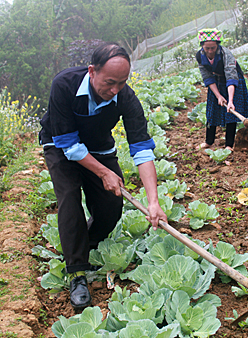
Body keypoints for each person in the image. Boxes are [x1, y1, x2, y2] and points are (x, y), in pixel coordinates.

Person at [39, 43, 167, 309]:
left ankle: (85, 240)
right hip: (61, 147)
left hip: (99, 148)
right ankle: (76, 272)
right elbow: (68, 144)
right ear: (92, 72)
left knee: (111, 207)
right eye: (109, 83)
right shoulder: (64, 85)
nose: (115, 90)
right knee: (70, 198)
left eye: (122, 83)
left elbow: (142, 148)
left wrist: (153, 201)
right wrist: (103, 172)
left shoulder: (126, 97)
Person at [195, 28, 248, 151]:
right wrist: (218, 96)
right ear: (202, 46)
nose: (210, 51)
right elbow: (208, 78)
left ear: (218, 46)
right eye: (207, 48)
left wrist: (230, 101)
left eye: (213, 48)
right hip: (216, 81)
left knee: (230, 112)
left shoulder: (226, 54)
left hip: (233, 81)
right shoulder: (200, 56)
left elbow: (231, 77)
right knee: (212, 110)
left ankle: (229, 145)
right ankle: (209, 141)